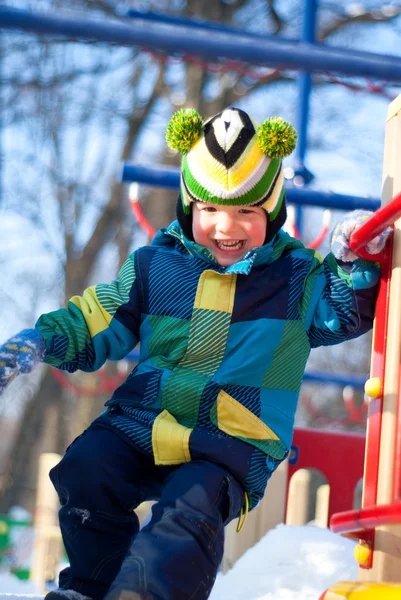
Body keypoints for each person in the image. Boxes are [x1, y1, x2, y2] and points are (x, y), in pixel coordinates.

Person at [0, 107, 389, 600]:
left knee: (189, 511)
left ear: (271, 210)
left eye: (246, 211)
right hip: (143, 420)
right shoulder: (154, 266)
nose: (227, 226)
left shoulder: (297, 278)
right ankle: (91, 587)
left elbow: (345, 310)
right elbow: (98, 318)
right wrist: (41, 340)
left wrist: (356, 260)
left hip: (230, 441)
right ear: (190, 206)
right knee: (86, 469)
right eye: (209, 209)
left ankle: (146, 594)